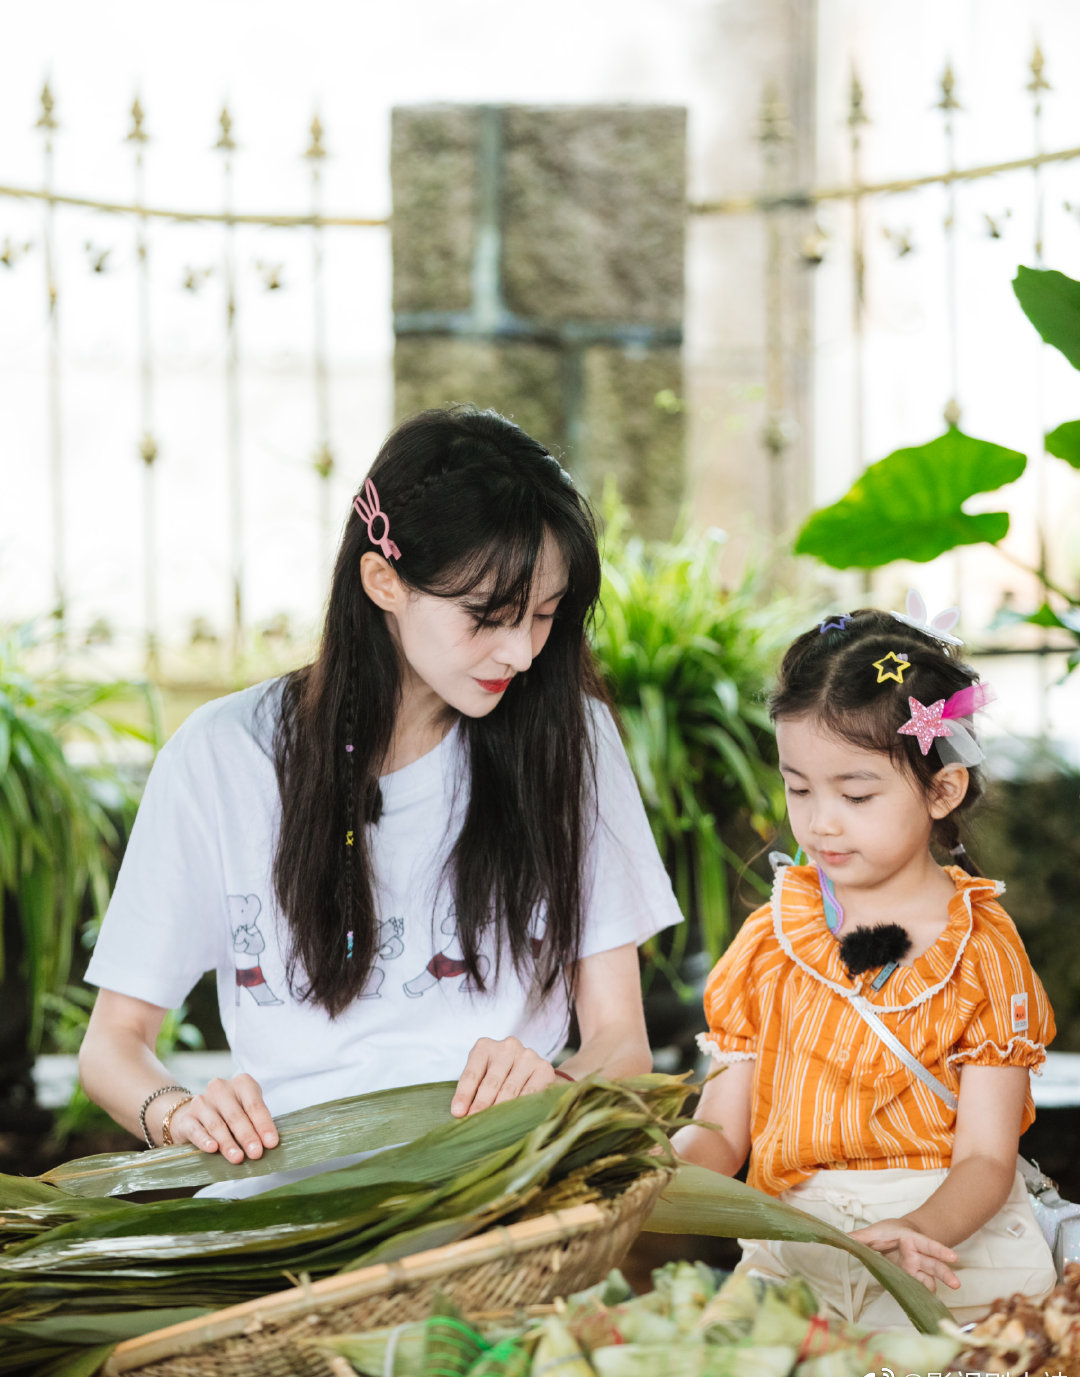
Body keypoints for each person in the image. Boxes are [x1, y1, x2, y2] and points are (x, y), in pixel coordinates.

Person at [79, 407, 681, 1163]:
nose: (523, 654)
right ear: (383, 580)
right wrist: (181, 1114)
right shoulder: (222, 757)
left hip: (500, 1186)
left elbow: (622, 1040)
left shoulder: (570, 739)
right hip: (292, 1194)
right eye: (488, 617)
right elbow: (112, 1047)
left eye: (545, 617)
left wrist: (554, 1085)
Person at [674, 601, 1057, 1327]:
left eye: (855, 794)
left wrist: (921, 1229)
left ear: (943, 788)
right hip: (795, 1258)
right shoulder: (767, 943)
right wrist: (648, 1178)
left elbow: (984, 1158)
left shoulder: (982, 951)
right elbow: (723, 1133)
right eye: (798, 788)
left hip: (948, 1258)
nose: (820, 821)